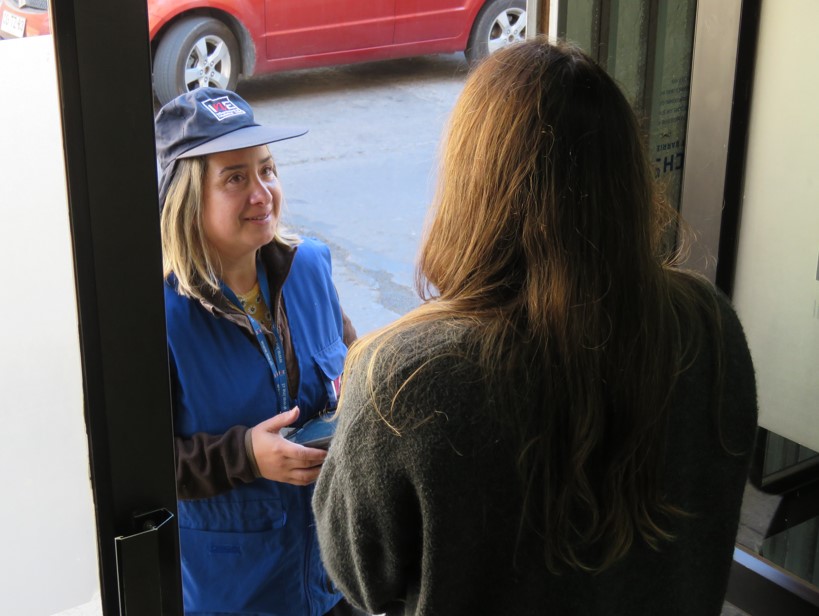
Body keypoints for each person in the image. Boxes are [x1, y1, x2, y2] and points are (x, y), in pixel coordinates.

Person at [312, 39, 758, 616]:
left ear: (472, 187)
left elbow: (360, 575)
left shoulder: (408, 380)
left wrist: (361, 403)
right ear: (627, 178)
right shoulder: (709, 324)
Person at [155, 87, 362, 615]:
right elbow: (140, 472)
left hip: (333, 580)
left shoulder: (310, 268)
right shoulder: (160, 318)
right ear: (188, 199)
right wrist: (244, 455)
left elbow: (357, 374)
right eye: (235, 178)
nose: (262, 193)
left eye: (267, 169)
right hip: (237, 596)